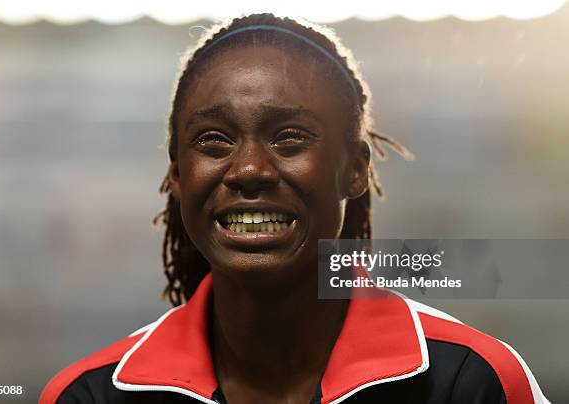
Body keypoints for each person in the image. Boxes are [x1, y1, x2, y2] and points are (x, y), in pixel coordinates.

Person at [41, 13, 549, 404]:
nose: (248, 170)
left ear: (354, 169)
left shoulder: (473, 381)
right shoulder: (88, 395)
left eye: (289, 138)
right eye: (214, 141)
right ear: (177, 173)